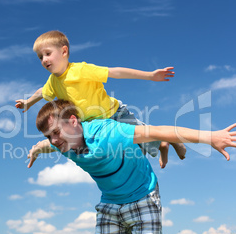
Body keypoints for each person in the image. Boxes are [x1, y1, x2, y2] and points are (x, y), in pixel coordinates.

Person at [27, 99, 236, 234]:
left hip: (143, 197)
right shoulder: (64, 144)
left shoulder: (109, 132)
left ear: (73, 121)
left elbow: (161, 130)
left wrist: (210, 137)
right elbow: (48, 146)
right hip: (110, 206)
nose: (54, 140)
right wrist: (37, 149)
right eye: (49, 135)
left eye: (56, 132)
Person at [15, 30, 186, 168]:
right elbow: (42, 91)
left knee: (143, 134)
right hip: (91, 124)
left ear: (64, 51)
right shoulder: (52, 82)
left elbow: (115, 72)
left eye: (47, 54)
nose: (44, 60)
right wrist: (28, 102)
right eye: (40, 57)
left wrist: (150, 76)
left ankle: (170, 140)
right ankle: (162, 145)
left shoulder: (81, 70)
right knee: (130, 149)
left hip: (113, 113)